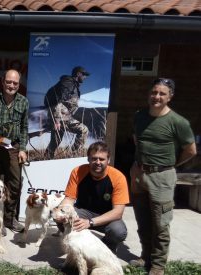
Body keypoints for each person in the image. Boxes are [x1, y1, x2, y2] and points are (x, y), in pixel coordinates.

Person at [129, 78, 196, 275]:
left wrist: (170, 165)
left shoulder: (178, 122)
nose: (156, 97)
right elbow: (137, 139)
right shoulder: (140, 116)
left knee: (160, 222)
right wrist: (136, 165)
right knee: (143, 219)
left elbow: (191, 150)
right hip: (139, 174)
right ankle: (145, 256)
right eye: (154, 92)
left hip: (162, 176)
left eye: (162, 94)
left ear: (170, 97)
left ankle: (158, 265)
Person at [55, 141, 129, 253]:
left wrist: (90, 222)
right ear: (88, 159)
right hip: (83, 211)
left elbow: (118, 212)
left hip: (106, 216)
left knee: (118, 231)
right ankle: (77, 245)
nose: (97, 162)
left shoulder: (118, 177)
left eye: (102, 159)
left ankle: (107, 245)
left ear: (108, 160)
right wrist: (61, 211)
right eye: (94, 158)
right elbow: (69, 199)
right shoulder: (77, 171)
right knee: (61, 215)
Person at [0, 69, 29, 235]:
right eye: (8, 82)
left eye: (15, 83)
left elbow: (24, 128)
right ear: (2, 81)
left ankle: (9, 219)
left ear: (19, 84)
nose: (11, 85)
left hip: (13, 147)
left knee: (15, 184)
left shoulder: (24, 102)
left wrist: (23, 149)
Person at [44, 66, 89, 159]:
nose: (85, 77)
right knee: (84, 130)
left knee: (56, 140)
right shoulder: (68, 83)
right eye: (84, 74)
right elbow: (59, 101)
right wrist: (57, 120)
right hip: (60, 115)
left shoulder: (71, 84)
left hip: (60, 115)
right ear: (78, 74)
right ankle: (73, 156)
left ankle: (47, 157)